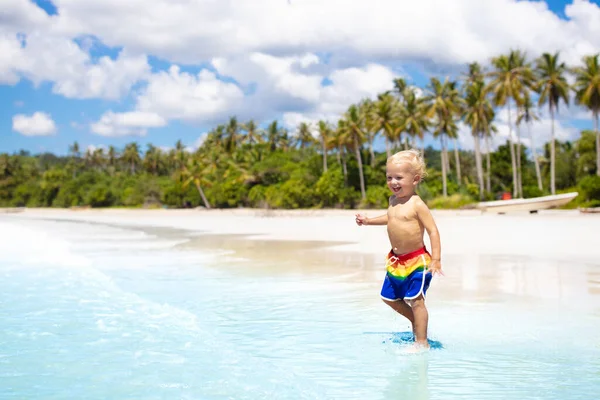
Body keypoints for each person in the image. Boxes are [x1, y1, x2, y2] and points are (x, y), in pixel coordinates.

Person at [355, 149, 442, 348]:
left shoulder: (417, 204)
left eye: (399, 177)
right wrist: (369, 221)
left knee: (417, 300)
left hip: (417, 261)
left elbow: (433, 231)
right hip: (396, 261)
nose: (393, 182)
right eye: (389, 177)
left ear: (415, 179)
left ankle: (422, 341)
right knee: (389, 297)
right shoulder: (393, 201)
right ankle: (414, 320)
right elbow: (391, 217)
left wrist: (436, 259)